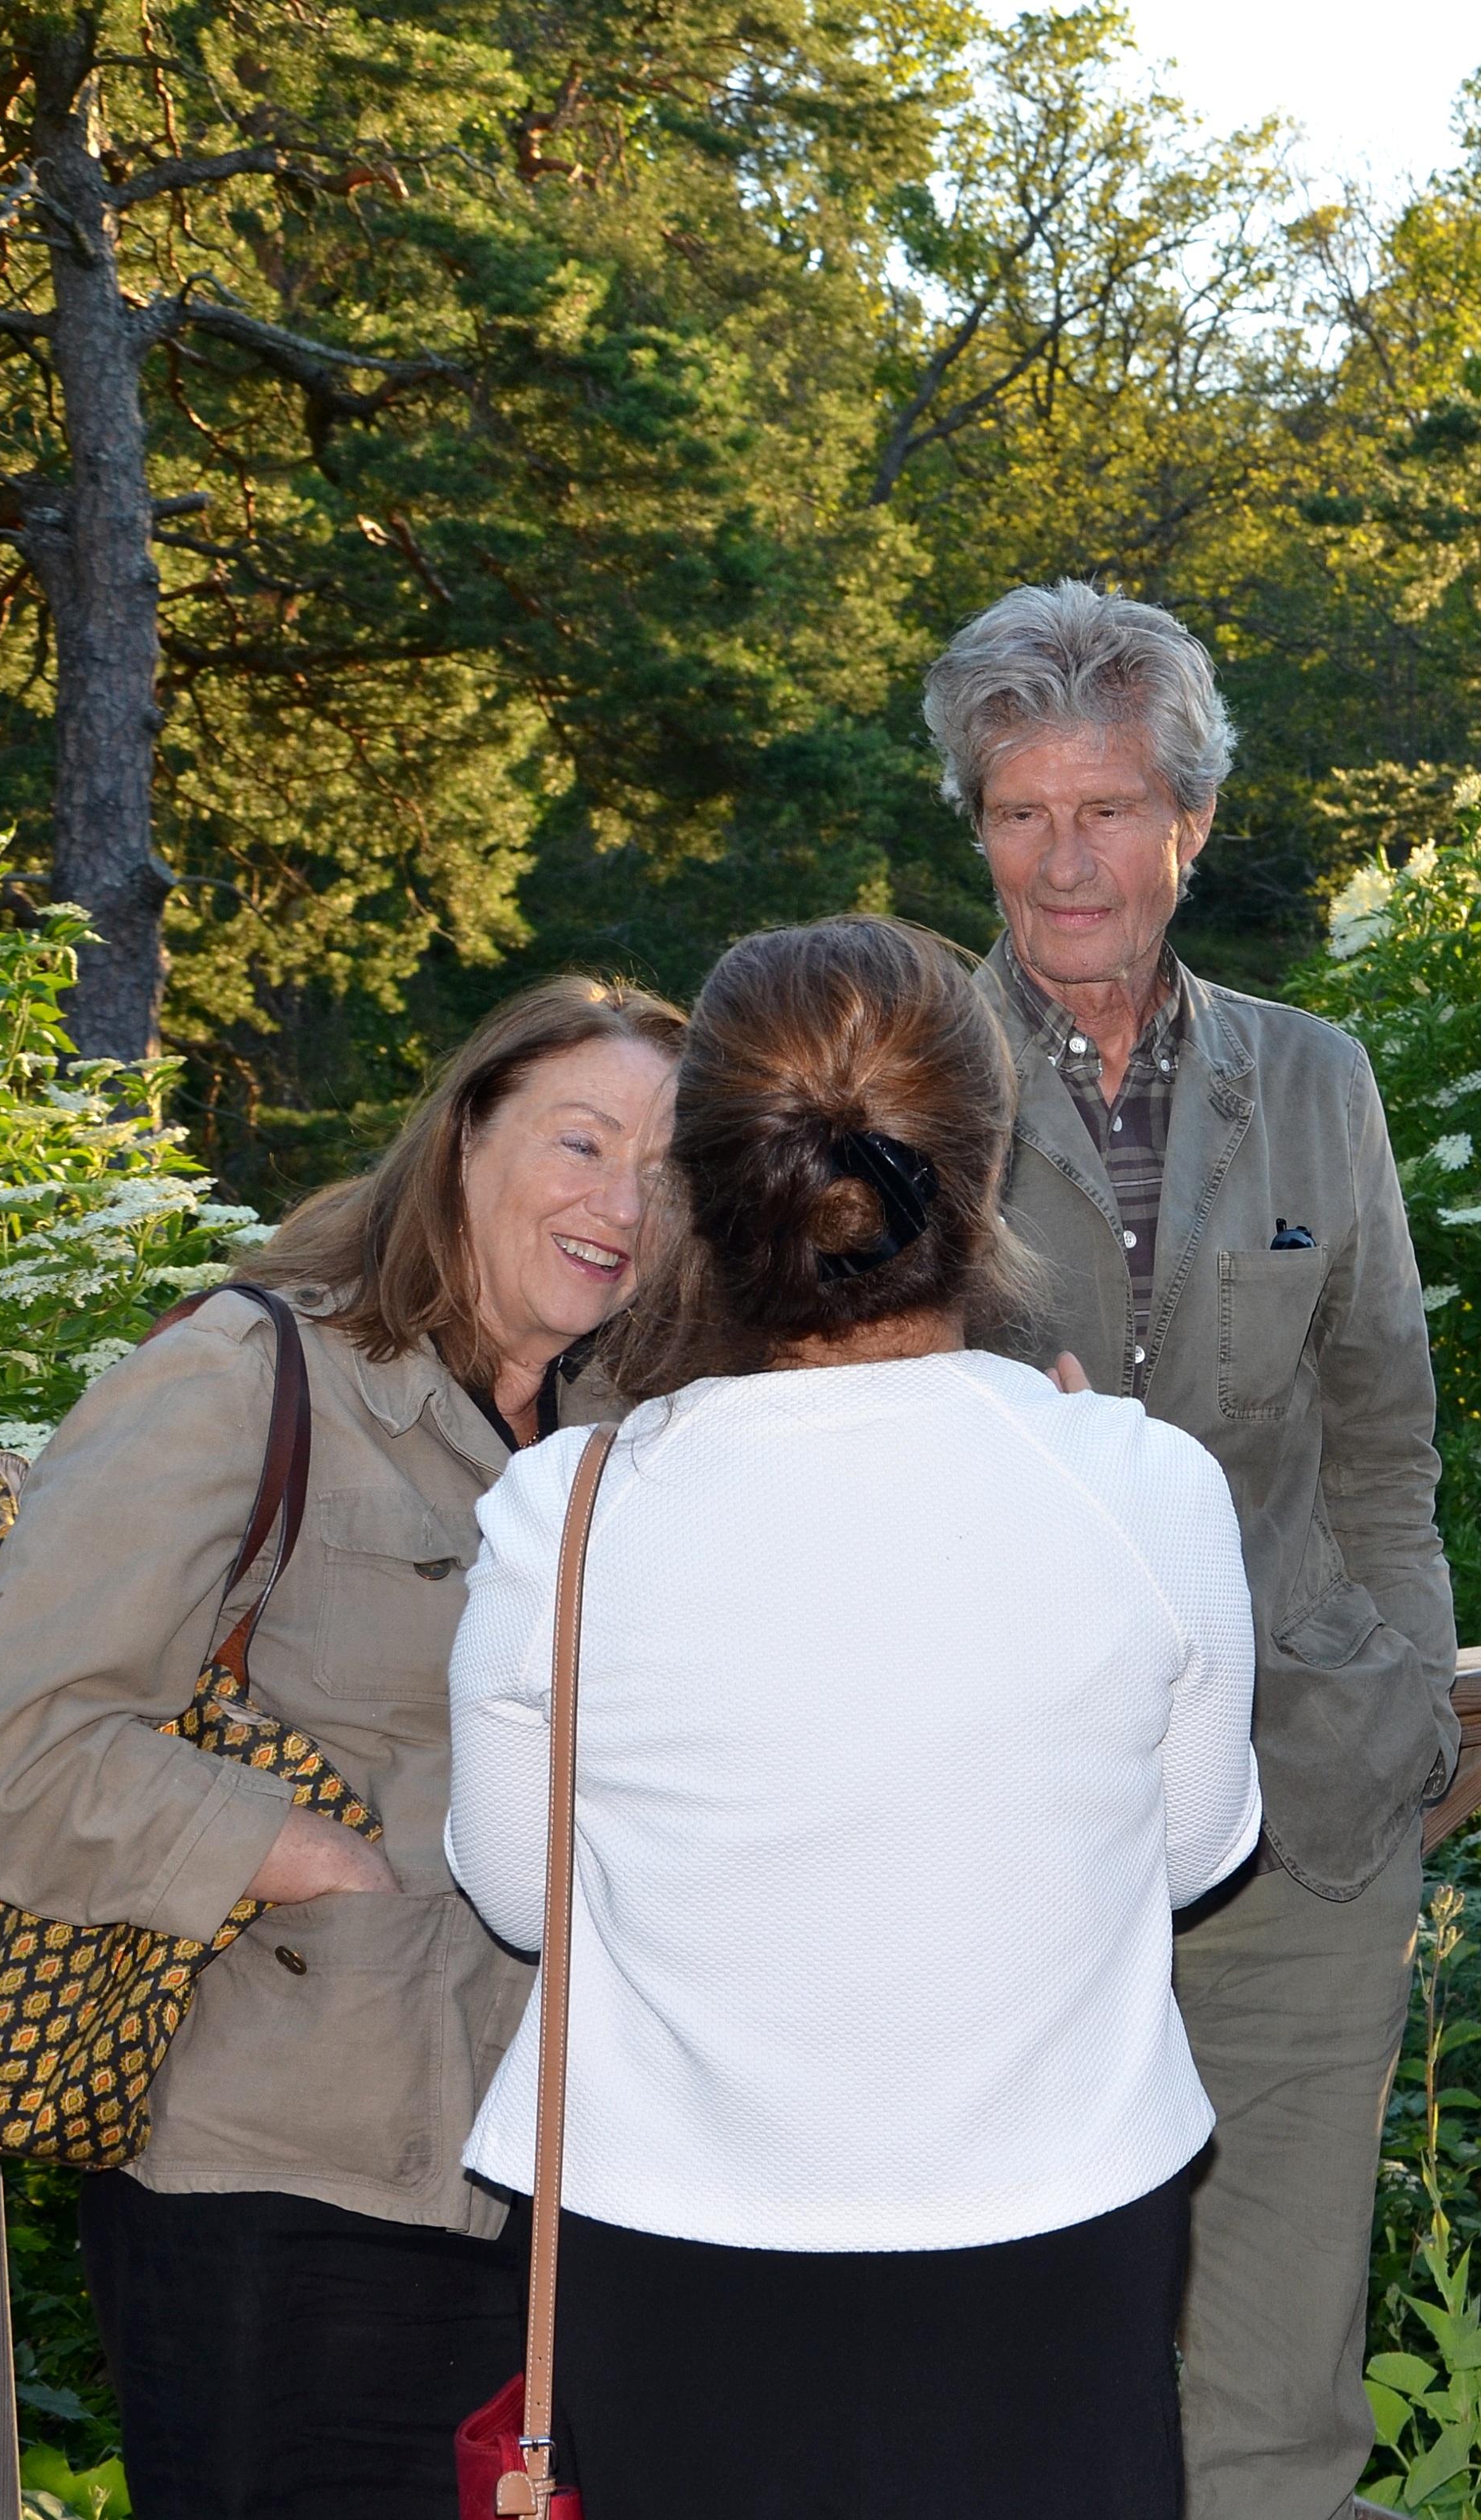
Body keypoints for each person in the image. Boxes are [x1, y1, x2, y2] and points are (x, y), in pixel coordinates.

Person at [446, 915, 1258, 2514]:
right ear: (984, 1162)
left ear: (696, 1183)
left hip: (666, 2231)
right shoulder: (1140, 1487)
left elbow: (521, 1894)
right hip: (1053, 2222)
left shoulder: (568, 1511)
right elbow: (1191, 1845)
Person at [0, 976, 682, 2519]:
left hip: (540, 2191)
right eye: (582, 1142)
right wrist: (311, 1855)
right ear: (465, 1137)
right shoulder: (248, 1375)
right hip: (280, 2195)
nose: (621, 1204)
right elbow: (1, 1744)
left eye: (666, 1170)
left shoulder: (621, 1437)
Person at [919, 581, 1456, 2520]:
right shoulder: (900, 1079)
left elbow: (1381, 1430)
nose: (1063, 862)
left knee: (1277, 2396)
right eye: (1019, 812)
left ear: (1191, 822)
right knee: (1004, 2381)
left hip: (1298, 1815)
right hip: (994, 1832)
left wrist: (1404, 1704)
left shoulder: (1312, 1078)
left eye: (1108, 809)